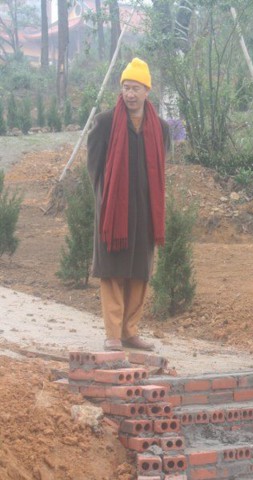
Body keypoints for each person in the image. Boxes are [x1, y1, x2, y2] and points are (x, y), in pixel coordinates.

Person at [87, 57, 171, 352]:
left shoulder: (160, 128)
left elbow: (159, 169)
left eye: (135, 88)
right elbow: (94, 167)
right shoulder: (105, 122)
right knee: (113, 271)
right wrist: (106, 199)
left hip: (145, 211)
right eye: (125, 87)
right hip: (113, 212)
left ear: (147, 90)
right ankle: (113, 333)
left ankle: (130, 331)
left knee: (139, 272)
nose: (130, 94)